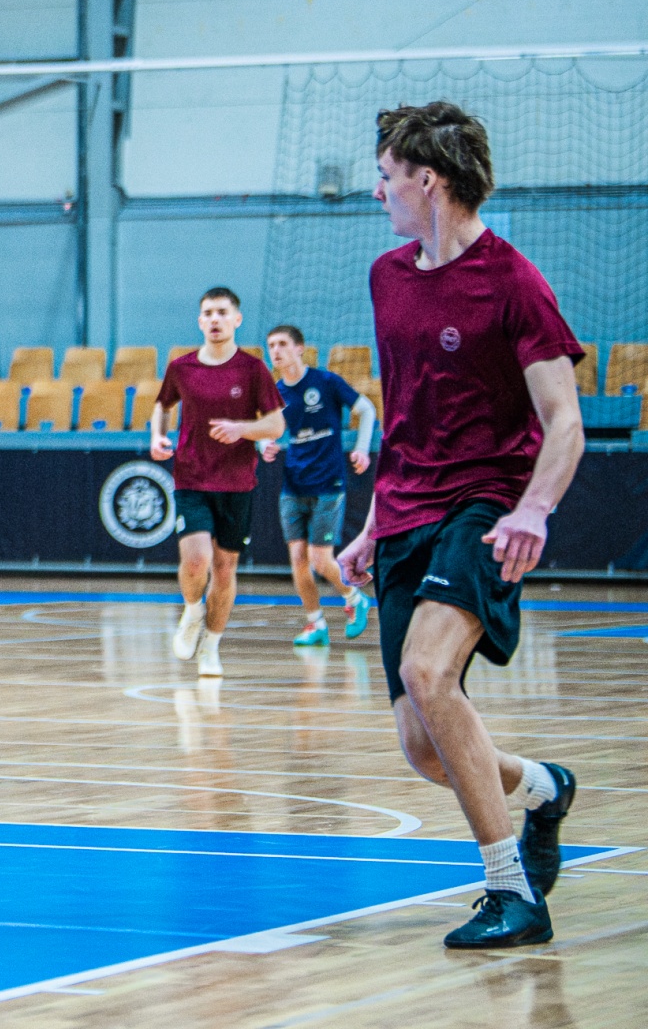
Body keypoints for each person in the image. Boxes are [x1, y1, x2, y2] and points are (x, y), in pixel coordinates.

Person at [337, 102, 583, 950]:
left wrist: (533, 509)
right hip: (405, 511)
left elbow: (564, 421)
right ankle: (544, 788)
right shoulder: (387, 277)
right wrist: (372, 527)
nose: (378, 191)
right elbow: (408, 418)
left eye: (387, 176)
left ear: (428, 180)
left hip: (484, 507)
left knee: (428, 672)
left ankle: (512, 892)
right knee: (422, 744)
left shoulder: (513, 282)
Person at [150, 287, 285, 679]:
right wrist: (157, 435)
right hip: (191, 477)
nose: (215, 319)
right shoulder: (181, 367)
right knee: (196, 560)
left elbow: (276, 424)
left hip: (237, 482)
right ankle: (193, 610)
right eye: (208, 313)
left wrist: (242, 428)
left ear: (237, 319)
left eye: (222, 312)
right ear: (199, 320)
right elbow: (162, 405)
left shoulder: (253, 370)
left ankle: (211, 646)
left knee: (224, 570)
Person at [260, 323, 376, 647]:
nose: (276, 351)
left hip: (328, 483)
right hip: (293, 485)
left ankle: (354, 598)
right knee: (298, 559)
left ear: (299, 349)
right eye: (271, 345)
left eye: (282, 344)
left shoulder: (325, 382)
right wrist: (265, 445)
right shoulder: (276, 394)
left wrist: (362, 448)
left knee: (320, 559)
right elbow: (266, 432)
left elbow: (367, 410)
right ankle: (316, 623)